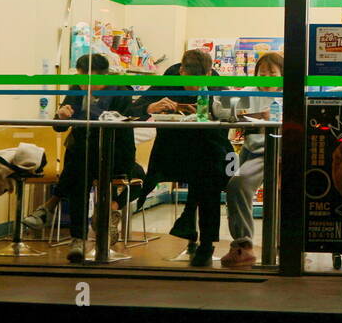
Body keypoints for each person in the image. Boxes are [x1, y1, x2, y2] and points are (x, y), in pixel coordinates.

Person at [130, 49, 232, 267]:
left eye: (199, 82)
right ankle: (195, 232)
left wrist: (214, 113)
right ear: (181, 71)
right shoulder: (171, 76)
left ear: (208, 73)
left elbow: (228, 116)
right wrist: (152, 107)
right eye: (189, 82)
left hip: (208, 147)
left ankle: (200, 236)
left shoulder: (215, 82)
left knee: (208, 174)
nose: (193, 87)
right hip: (175, 148)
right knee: (205, 175)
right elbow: (136, 106)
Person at [52, 53, 141, 263]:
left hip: (114, 154)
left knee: (78, 169)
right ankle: (78, 237)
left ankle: (56, 209)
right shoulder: (76, 90)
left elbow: (123, 129)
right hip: (84, 155)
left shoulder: (121, 92)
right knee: (80, 172)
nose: (84, 85)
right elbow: (59, 126)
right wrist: (62, 116)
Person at [219, 52, 283, 268]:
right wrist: (254, 116)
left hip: (281, 151)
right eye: (262, 73)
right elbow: (221, 108)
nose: (266, 78)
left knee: (284, 196)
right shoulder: (249, 92)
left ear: (282, 74)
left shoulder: (290, 93)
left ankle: (285, 244)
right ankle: (243, 246)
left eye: (272, 73)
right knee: (237, 185)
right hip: (254, 150)